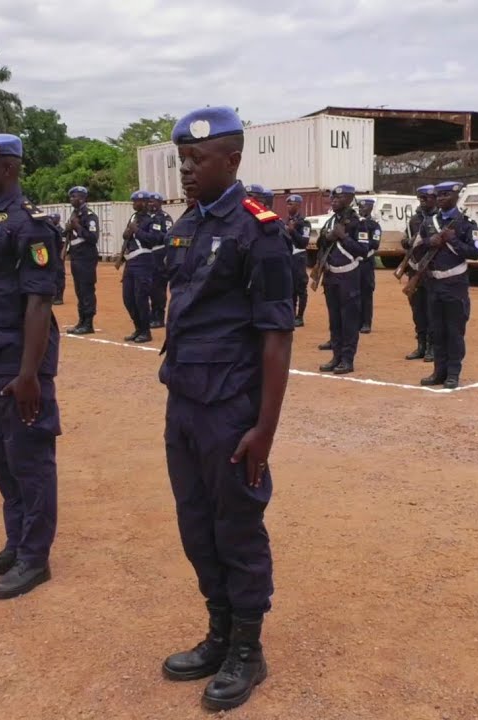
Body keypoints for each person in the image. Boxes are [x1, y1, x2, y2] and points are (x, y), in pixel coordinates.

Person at [158, 106, 293, 712]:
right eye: (181, 159)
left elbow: (275, 337)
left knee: (237, 527)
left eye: (197, 160)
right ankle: (218, 633)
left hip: (230, 411)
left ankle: (247, 648)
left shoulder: (258, 231)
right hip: (184, 402)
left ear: (232, 161)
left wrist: (264, 429)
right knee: (196, 525)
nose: (185, 170)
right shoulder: (186, 226)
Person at [0, 134, 62, 600]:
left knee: (30, 461)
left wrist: (28, 375)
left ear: (8, 169)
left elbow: (39, 304)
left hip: (18, 366)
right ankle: (16, 541)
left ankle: (34, 558)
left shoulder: (30, 226)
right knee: (0, 459)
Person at [418, 181, 478, 389]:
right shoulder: (429, 222)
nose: (442, 198)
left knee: (454, 331)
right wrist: (430, 242)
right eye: (439, 195)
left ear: (456, 197)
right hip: (433, 283)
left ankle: (453, 373)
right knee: (437, 330)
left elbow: (475, 253)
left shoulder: (465, 223)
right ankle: (439, 371)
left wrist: (453, 240)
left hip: (455, 284)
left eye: (446, 195)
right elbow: (416, 248)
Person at [316, 184, 363, 375]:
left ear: (350, 198)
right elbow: (320, 243)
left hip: (349, 276)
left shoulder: (357, 223)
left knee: (348, 321)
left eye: (339, 197)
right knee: (334, 320)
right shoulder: (331, 221)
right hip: (331, 276)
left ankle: (347, 359)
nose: (334, 200)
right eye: (332, 198)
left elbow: (364, 251)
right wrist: (327, 236)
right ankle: (336, 356)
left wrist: (343, 237)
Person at [120, 190, 160, 343]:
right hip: (130, 262)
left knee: (140, 298)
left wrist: (136, 230)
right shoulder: (133, 217)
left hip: (144, 261)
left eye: (136, 201)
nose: (133, 204)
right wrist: (129, 230)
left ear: (143, 203)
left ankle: (145, 331)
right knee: (128, 298)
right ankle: (138, 328)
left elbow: (154, 239)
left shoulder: (153, 220)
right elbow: (125, 236)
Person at [403, 185, 436, 361]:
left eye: (426, 198)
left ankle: (432, 347)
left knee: (432, 311)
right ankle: (421, 345)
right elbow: (406, 240)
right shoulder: (415, 220)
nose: (422, 202)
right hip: (415, 270)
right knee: (418, 311)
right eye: (420, 198)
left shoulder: (439, 219)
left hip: (431, 272)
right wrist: (407, 242)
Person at [64, 186, 99, 334]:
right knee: (79, 290)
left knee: (87, 290)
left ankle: (88, 323)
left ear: (83, 198)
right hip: (76, 257)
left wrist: (77, 226)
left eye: (75, 197)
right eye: (71, 197)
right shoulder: (74, 213)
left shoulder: (89, 216)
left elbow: (92, 238)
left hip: (86, 257)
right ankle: (81, 320)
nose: (72, 199)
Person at [281, 194, 311, 327]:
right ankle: (291, 315)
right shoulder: (287, 221)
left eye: (291, 204)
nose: (288, 207)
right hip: (288, 257)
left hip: (299, 257)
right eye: (287, 204)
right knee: (290, 288)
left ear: (298, 205)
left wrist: (292, 231)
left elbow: (304, 242)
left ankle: (300, 316)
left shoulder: (304, 223)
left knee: (300, 288)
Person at [355, 197, 381, 333]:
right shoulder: (355, 223)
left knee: (366, 293)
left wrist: (361, 244)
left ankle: (366, 323)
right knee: (354, 293)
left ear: (371, 208)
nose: (361, 209)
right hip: (354, 263)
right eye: (360, 207)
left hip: (366, 262)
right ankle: (356, 321)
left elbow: (375, 244)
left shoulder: (374, 225)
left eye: (364, 207)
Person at [147, 191, 171, 328]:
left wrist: (153, 235)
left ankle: (159, 316)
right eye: (149, 202)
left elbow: (167, 235)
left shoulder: (165, 218)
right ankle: (153, 313)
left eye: (153, 202)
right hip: (149, 255)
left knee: (159, 287)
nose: (150, 204)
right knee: (150, 287)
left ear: (160, 203)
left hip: (160, 254)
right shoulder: (147, 217)